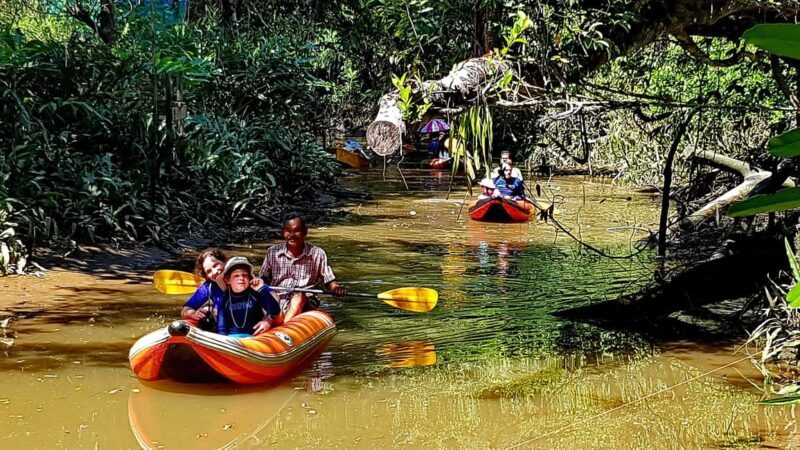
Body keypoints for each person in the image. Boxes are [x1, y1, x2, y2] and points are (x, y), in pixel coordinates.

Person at [259, 213, 348, 322]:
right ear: (283, 232)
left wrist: (336, 289)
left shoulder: (317, 254)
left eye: (296, 231)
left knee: (299, 296)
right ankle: (274, 319)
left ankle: (284, 326)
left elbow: (329, 281)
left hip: (306, 300)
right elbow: (263, 278)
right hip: (278, 297)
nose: (292, 235)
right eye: (288, 230)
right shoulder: (273, 252)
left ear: (305, 232)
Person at [217, 256, 281, 337]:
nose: (241, 278)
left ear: (250, 278)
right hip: (232, 339)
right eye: (236, 276)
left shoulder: (255, 293)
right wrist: (223, 340)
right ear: (227, 280)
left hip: (255, 336)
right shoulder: (225, 298)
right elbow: (221, 325)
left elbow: (275, 310)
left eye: (245, 275)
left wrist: (261, 289)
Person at [181, 248, 228, 330]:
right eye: (209, 271)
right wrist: (194, 314)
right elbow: (185, 310)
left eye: (216, 265)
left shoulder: (242, 277)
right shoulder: (208, 287)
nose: (214, 272)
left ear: (224, 262)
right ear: (206, 276)